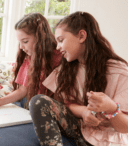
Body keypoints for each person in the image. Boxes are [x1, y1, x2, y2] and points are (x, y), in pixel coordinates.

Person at [29, 11, 128, 146]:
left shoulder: (119, 71)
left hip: (110, 139)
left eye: (61, 40)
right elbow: (65, 104)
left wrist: (111, 108)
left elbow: (125, 127)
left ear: (81, 36)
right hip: (80, 130)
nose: (57, 47)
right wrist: (83, 112)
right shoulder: (67, 68)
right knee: (39, 101)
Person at [0, 13, 62, 109]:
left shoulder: (58, 57)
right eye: (20, 42)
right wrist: (1, 101)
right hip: (30, 103)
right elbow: (23, 90)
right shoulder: (29, 57)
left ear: (41, 37)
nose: (21, 47)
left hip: (49, 107)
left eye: (25, 41)